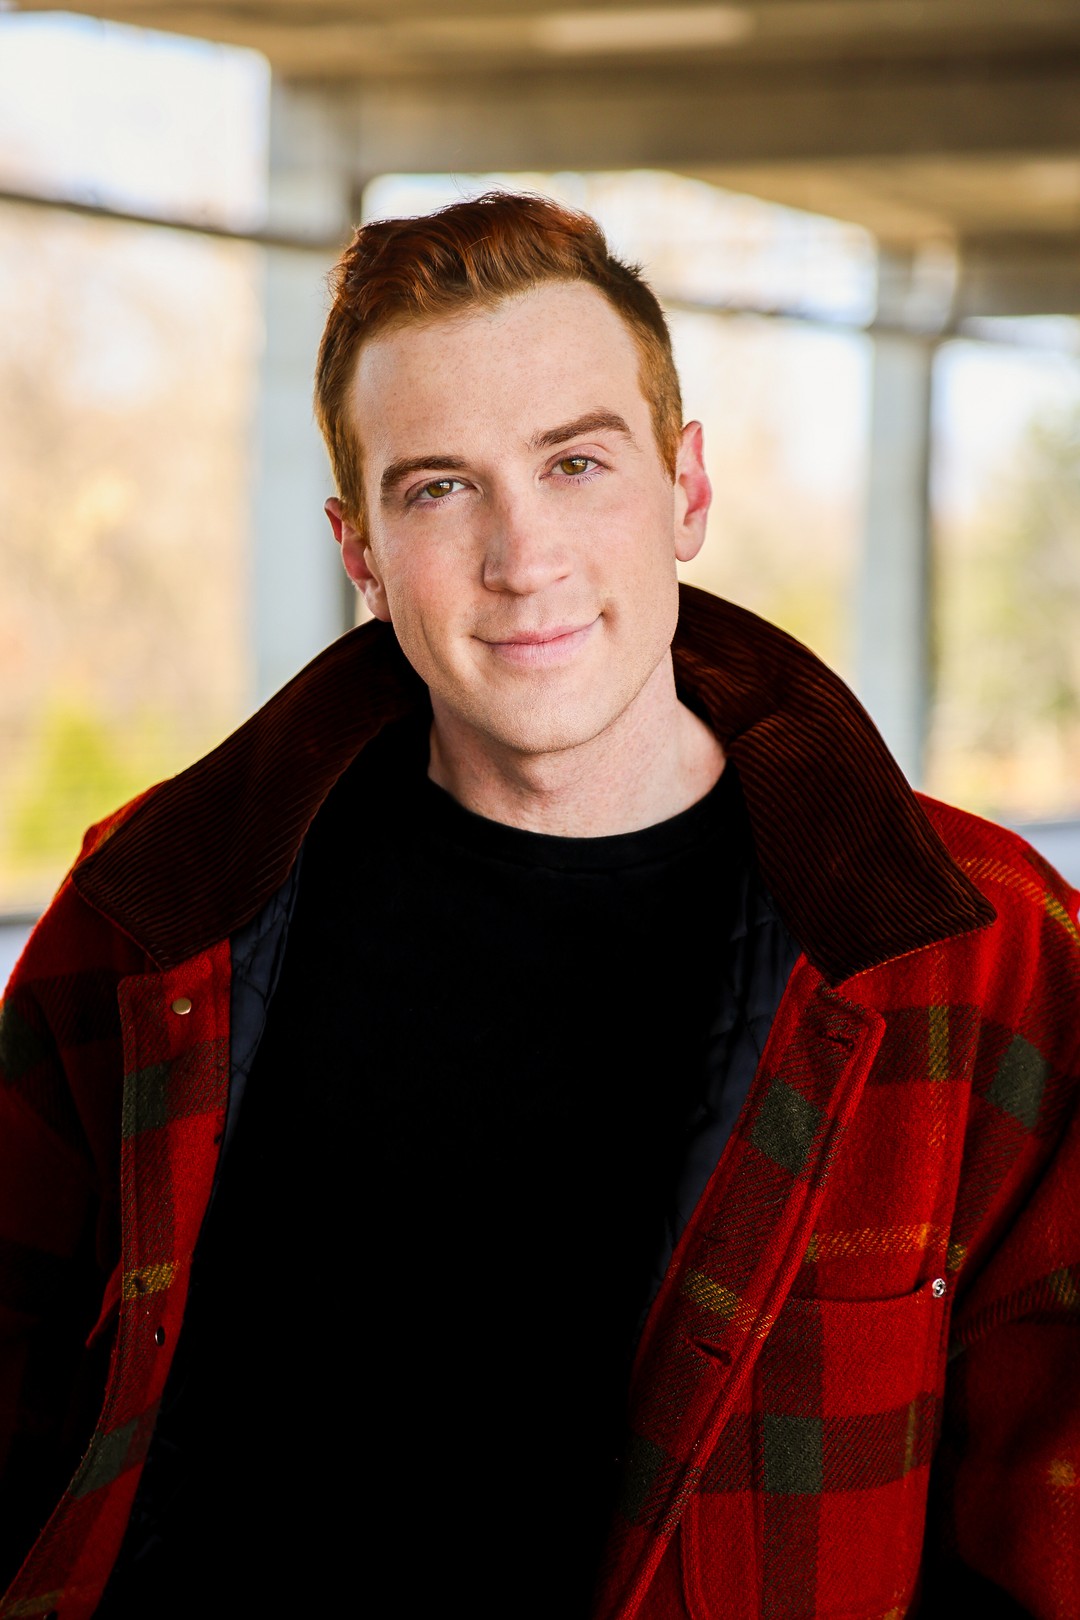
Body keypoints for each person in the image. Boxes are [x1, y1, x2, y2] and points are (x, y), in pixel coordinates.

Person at [0, 191, 1077, 1620]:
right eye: (439, 488)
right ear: (359, 551)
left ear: (686, 490)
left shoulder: (975, 952)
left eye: (576, 462)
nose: (523, 559)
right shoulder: (159, 908)